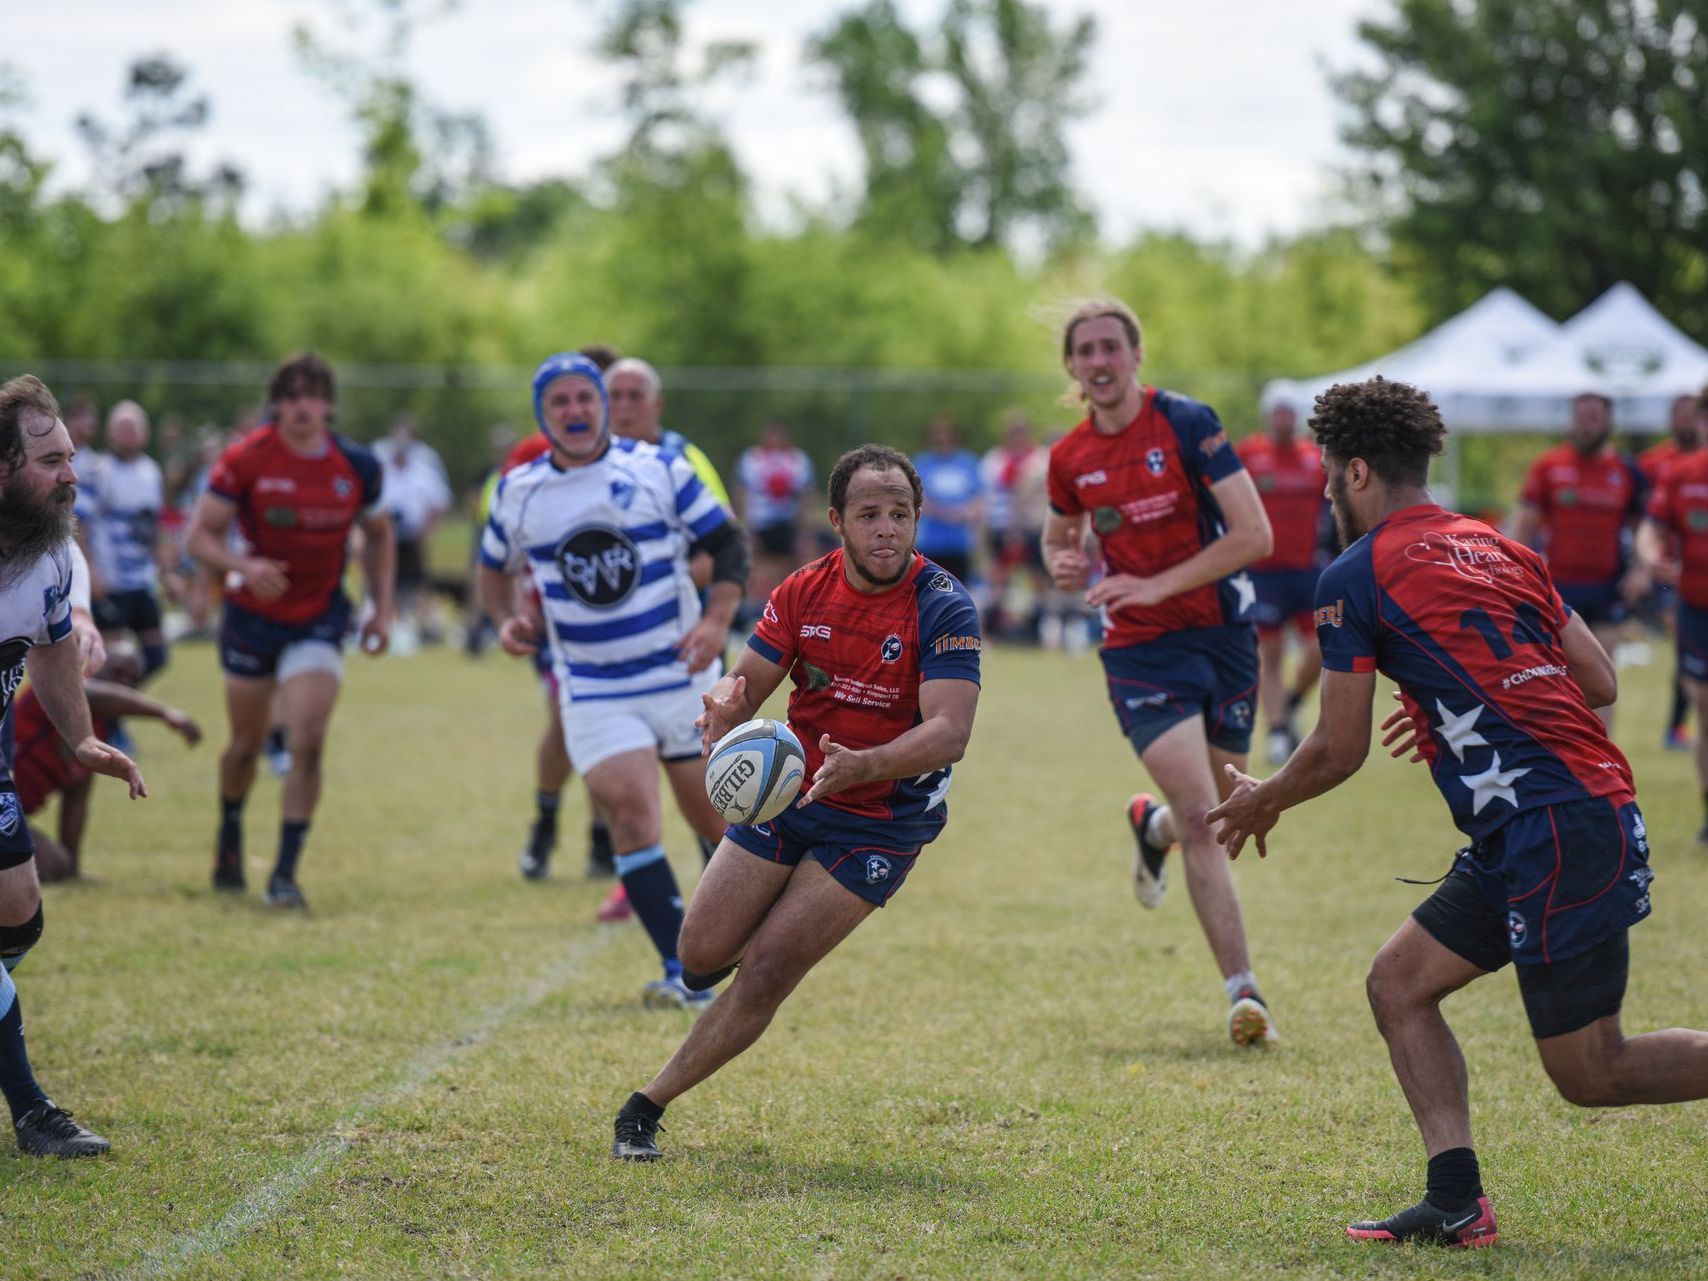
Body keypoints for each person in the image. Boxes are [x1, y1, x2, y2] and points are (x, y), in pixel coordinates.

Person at [1207, 375, 1708, 1248]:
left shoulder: (1353, 573)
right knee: (1399, 984)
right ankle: (1456, 1200)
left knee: (1593, 1071)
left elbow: (1336, 748)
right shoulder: (1501, 546)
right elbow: (1599, 681)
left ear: (1356, 471)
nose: (1327, 491)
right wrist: (1453, 701)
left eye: (1331, 475)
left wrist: (1263, 799)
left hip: (1554, 825)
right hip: (1551, 818)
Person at [609, 444, 982, 1160]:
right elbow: (745, 684)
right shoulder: (804, 590)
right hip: (791, 789)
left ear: (916, 520)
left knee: (772, 967)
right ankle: (758, 926)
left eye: (900, 514)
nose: (886, 529)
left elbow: (950, 732)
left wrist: (864, 764)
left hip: (882, 818)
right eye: (869, 514)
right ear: (837, 520)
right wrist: (725, 701)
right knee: (696, 957)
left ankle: (646, 1104)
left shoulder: (943, 604)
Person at [1041, 296, 1277, 1046]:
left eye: (1112, 346)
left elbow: (1255, 534)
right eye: (1086, 351)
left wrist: (1157, 581)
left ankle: (1154, 826)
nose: (1100, 361)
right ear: (1073, 368)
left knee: (1220, 810)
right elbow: (1058, 540)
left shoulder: (1186, 423)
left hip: (1224, 637)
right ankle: (1246, 995)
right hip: (1141, 650)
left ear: (1136, 355)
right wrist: (1066, 562)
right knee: (1210, 821)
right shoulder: (1070, 457)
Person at [479, 353, 748, 1008]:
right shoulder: (520, 491)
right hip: (594, 684)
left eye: (585, 398)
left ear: (603, 405)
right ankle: (685, 971)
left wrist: (716, 622)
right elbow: (490, 565)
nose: (575, 411)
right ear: (544, 415)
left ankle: (747, 944)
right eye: (560, 402)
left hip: (678, 670)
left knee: (714, 818)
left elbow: (729, 541)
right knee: (631, 813)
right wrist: (504, 618)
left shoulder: (657, 466)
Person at [186, 353, 395, 909]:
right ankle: (230, 831)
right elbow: (199, 537)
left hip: (320, 617)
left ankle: (284, 872)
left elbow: (379, 532)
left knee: (308, 739)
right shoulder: (246, 459)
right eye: (291, 395)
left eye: (313, 395)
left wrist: (382, 606)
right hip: (252, 618)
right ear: (276, 403)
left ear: (328, 404)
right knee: (246, 746)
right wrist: (242, 566)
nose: (302, 406)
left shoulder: (358, 465)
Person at [0, 374, 147, 1158]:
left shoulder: (49, 556)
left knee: (20, 912)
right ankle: (31, 1110)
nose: (71, 474)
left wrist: (83, 738)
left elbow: (54, 650)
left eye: (71, 456)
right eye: (51, 459)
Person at [590, 355, 736, 919]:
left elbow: (722, 546)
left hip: (683, 646)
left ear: (656, 404)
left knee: (702, 771)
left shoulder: (683, 459)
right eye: (614, 396)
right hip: (608, 651)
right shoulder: (584, 467)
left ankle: (721, 880)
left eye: (634, 396)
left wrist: (655, 579)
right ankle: (636, 875)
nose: (622, 408)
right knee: (621, 766)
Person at [1510, 392, 1648, 733]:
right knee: (1551, 674)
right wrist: (1515, 575)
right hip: (1556, 590)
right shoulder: (1549, 467)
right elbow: (1525, 524)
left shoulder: (1626, 471)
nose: (1586, 425)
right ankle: (1558, 747)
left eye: (1594, 417)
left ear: (1608, 422)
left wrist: (1641, 570)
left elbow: (1646, 529)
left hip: (1607, 589)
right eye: (1581, 417)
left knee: (1602, 678)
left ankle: (1600, 753)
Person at [12, 651, 200, 881]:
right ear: (94, 667)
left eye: (132, 680)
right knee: (39, 867)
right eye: (117, 672)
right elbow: (94, 693)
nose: (124, 684)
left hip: (10, 815)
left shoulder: (96, 732)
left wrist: (72, 868)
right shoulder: (56, 692)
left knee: (55, 865)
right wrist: (164, 713)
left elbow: (76, 796)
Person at [1236, 395, 1331, 764]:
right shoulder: (1250, 454)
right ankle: (1277, 731)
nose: (1283, 419)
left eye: (1289, 412)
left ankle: (1289, 704)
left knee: (1320, 648)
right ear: (1267, 417)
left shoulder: (1313, 458)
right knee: (1270, 653)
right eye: (1277, 412)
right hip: (1263, 572)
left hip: (1307, 570)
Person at [1637, 384, 1708, 840]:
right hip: (1696, 607)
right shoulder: (1682, 473)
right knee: (1704, 704)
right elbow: (1652, 527)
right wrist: (1650, 555)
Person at [87, 400, 170, 681]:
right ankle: (105, 719)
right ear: (110, 433)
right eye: (122, 427)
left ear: (145, 433)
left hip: (142, 580)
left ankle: (109, 712)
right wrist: (90, 569)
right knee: (111, 662)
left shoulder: (152, 471)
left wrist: (166, 572)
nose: (128, 433)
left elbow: (153, 527)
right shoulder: (98, 470)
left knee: (156, 656)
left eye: (134, 427)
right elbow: (80, 524)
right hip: (110, 581)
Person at [378, 414, 453, 650]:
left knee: (420, 582)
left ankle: (426, 626)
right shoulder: (382, 465)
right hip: (386, 534)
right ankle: (390, 624)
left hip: (413, 535)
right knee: (386, 580)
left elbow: (439, 502)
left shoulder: (424, 469)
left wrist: (427, 529)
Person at [979, 412, 1050, 640]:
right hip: (1000, 527)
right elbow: (987, 495)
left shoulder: (1040, 459)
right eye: (1012, 434)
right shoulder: (994, 460)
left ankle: (1040, 626)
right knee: (998, 578)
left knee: (1037, 577)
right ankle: (993, 627)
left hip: (1032, 528)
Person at [735, 419, 814, 612]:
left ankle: (784, 607)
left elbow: (806, 495)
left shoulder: (798, 460)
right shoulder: (751, 459)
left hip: (786, 522)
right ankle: (759, 611)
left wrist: (804, 531)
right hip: (760, 522)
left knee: (787, 568)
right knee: (758, 568)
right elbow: (742, 493)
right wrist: (746, 527)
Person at [912, 416, 984, 586]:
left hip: (960, 543)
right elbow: (919, 499)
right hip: (932, 542)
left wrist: (967, 513)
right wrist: (949, 514)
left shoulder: (967, 462)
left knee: (960, 589)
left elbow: (979, 498)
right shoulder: (923, 463)